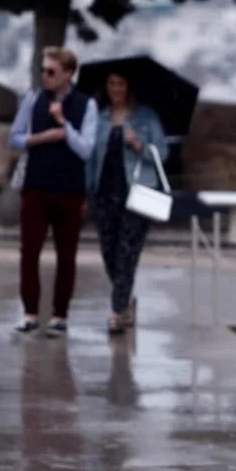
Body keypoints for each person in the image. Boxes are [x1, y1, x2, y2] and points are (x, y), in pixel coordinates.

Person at [8, 46, 98, 337]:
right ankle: (30, 314)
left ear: (68, 74)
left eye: (51, 71)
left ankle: (60, 315)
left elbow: (86, 149)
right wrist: (40, 138)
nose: (45, 76)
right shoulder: (33, 99)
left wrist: (63, 125)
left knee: (66, 255)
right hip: (35, 185)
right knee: (29, 252)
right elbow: (14, 138)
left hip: (69, 189)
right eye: (43, 70)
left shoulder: (87, 105)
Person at [85, 71, 168, 334]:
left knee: (127, 253)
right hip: (104, 193)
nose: (115, 89)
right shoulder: (100, 118)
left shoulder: (146, 117)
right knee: (109, 252)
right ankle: (126, 299)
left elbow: (163, 153)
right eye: (111, 83)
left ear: (129, 87)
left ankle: (116, 310)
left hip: (136, 193)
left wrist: (139, 146)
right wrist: (86, 192)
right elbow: (91, 158)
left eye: (120, 83)